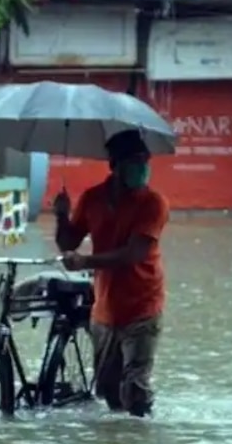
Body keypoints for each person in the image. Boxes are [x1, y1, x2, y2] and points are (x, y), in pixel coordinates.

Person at [53, 130, 168, 418]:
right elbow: (68, 242)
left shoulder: (153, 203)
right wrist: (61, 215)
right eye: (135, 160)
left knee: (135, 389)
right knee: (108, 389)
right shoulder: (92, 199)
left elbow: (134, 254)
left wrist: (85, 262)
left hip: (143, 304)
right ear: (115, 165)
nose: (143, 166)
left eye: (145, 160)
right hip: (105, 309)